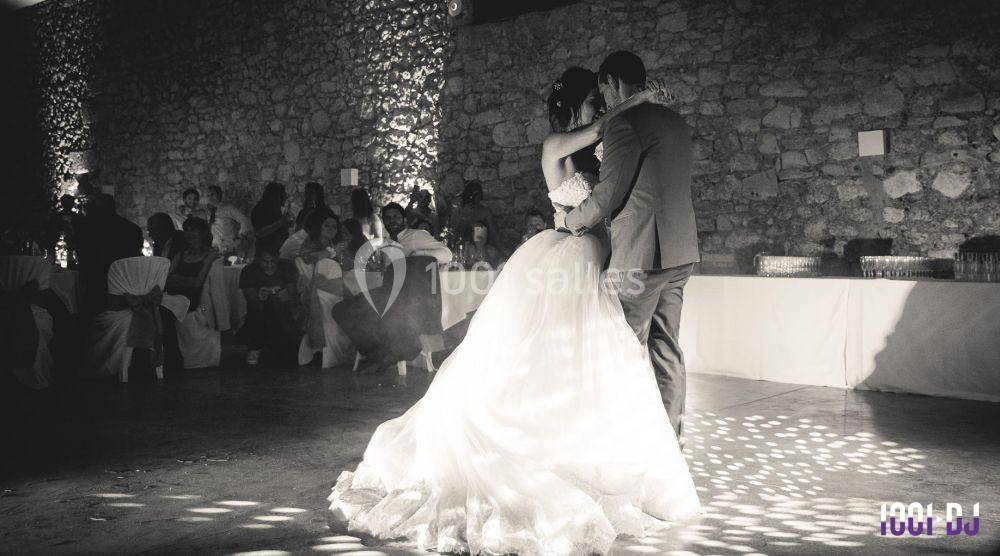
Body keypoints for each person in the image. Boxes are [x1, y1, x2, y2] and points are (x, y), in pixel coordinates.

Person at [328, 63, 699, 555]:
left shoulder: (604, 142)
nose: (599, 108)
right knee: (580, 357)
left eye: (600, 99)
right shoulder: (555, 145)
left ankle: (615, 448)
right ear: (573, 107)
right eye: (592, 101)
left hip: (601, 256)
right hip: (571, 252)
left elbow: (614, 179)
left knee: (599, 358)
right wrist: (636, 101)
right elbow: (596, 159)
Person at [562, 51, 699, 442]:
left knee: (621, 346)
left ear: (612, 82)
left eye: (603, 87)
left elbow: (607, 195)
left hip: (640, 254)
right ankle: (669, 441)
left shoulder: (623, 124)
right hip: (680, 251)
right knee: (666, 348)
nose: (603, 97)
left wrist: (569, 221)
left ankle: (625, 442)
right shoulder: (676, 122)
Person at [74, 193, 143, 316]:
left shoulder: (87, 229)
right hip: (128, 288)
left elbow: (83, 258)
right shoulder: (133, 229)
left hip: (96, 288)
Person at [238, 246, 300, 366]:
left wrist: (287, 296)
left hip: (284, 313)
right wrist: (259, 297)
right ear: (257, 259)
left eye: (273, 261)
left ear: (278, 258)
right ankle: (256, 346)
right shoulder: (249, 270)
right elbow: (250, 300)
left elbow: (295, 297)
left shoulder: (286, 267)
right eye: (264, 261)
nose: (269, 265)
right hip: (259, 313)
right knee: (266, 307)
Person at [165, 217, 219, 311]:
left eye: (193, 230)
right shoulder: (180, 254)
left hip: (196, 304)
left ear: (203, 233)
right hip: (174, 299)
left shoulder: (210, 255)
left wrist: (177, 278)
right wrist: (189, 280)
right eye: (186, 230)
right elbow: (167, 279)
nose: (188, 234)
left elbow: (198, 283)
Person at [380, 202, 452, 264]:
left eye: (396, 216)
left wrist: (418, 254)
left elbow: (447, 255)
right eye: (387, 218)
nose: (392, 220)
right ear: (384, 222)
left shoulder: (416, 235)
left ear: (404, 220)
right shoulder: (385, 243)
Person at [205, 185, 253, 256]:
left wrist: (240, 237)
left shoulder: (229, 208)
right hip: (213, 249)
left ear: (220, 195)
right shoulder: (206, 211)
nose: (210, 197)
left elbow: (245, 220)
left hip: (228, 247)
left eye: (213, 194)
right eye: (208, 195)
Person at [449, 180, 498, 247]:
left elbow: (493, 234)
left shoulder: (485, 212)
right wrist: (464, 216)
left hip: (480, 247)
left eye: (477, 195)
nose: (475, 199)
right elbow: (453, 232)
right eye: (473, 196)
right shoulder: (459, 211)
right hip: (462, 246)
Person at [252, 182, 292, 256]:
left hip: (276, 251)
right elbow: (260, 232)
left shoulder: (275, 208)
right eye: (283, 194)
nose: (286, 197)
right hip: (267, 254)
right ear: (276, 196)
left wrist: (286, 224)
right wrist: (281, 222)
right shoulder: (261, 209)